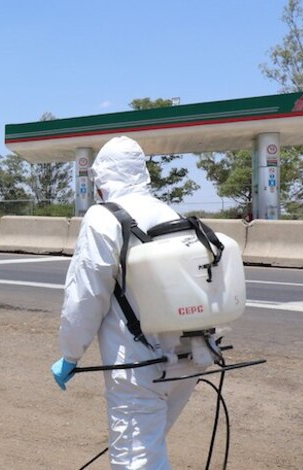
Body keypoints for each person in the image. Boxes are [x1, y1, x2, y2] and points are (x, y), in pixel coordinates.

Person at [51, 136, 198, 468]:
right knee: (151, 447)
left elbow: (85, 296)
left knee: (137, 460)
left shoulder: (104, 218)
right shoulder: (169, 212)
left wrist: (70, 354)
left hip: (140, 365)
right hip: (188, 358)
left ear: (103, 179)